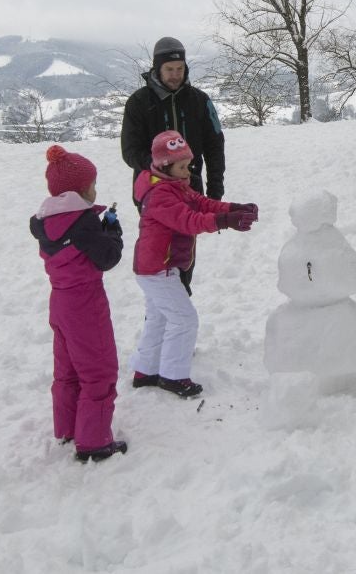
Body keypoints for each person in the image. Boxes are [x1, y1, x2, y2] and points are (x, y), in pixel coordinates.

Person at [129, 130, 257, 398]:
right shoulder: (160, 195)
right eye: (183, 167)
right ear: (165, 166)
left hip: (158, 267)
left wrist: (233, 207)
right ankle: (173, 376)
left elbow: (200, 202)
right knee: (185, 319)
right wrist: (226, 221)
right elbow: (189, 220)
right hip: (157, 270)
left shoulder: (174, 184)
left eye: (189, 165)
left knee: (159, 318)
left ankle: (146, 370)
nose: (188, 172)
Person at [29, 144, 127, 464]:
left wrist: (98, 225)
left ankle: (68, 428)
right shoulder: (83, 224)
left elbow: (74, 244)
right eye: (93, 185)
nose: (95, 189)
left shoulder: (47, 221)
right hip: (85, 304)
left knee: (68, 369)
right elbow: (107, 257)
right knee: (98, 369)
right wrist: (112, 230)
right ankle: (94, 442)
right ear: (81, 189)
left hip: (60, 302)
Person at [121, 36, 226, 295]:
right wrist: (161, 167)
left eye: (180, 69)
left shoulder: (199, 101)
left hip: (191, 187)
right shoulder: (139, 103)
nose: (175, 75)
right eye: (169, 69)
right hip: (153, 191)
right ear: (157, 68)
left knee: (183, 251)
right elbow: (130, 151)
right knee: (159, 255)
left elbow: (215, 145)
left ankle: (178, 304)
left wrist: (215, 189)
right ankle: (166, 313)